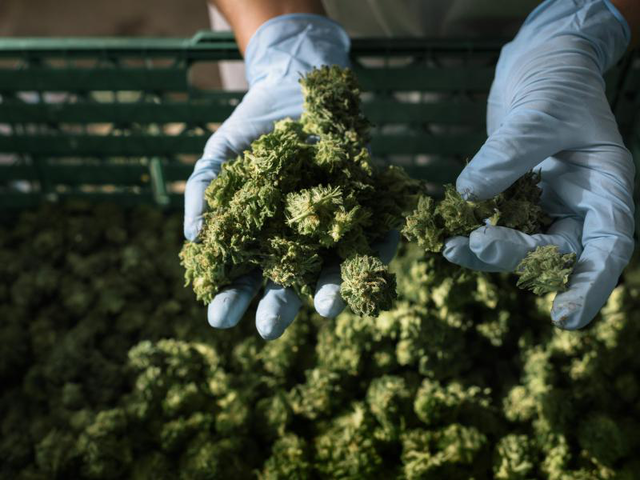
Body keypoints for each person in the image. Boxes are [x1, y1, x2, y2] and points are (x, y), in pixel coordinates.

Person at [184, 0, 639, 339]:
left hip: (515, 41)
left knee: (511, 168)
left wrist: (585, 24)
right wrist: (284, 34)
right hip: (330, 14)